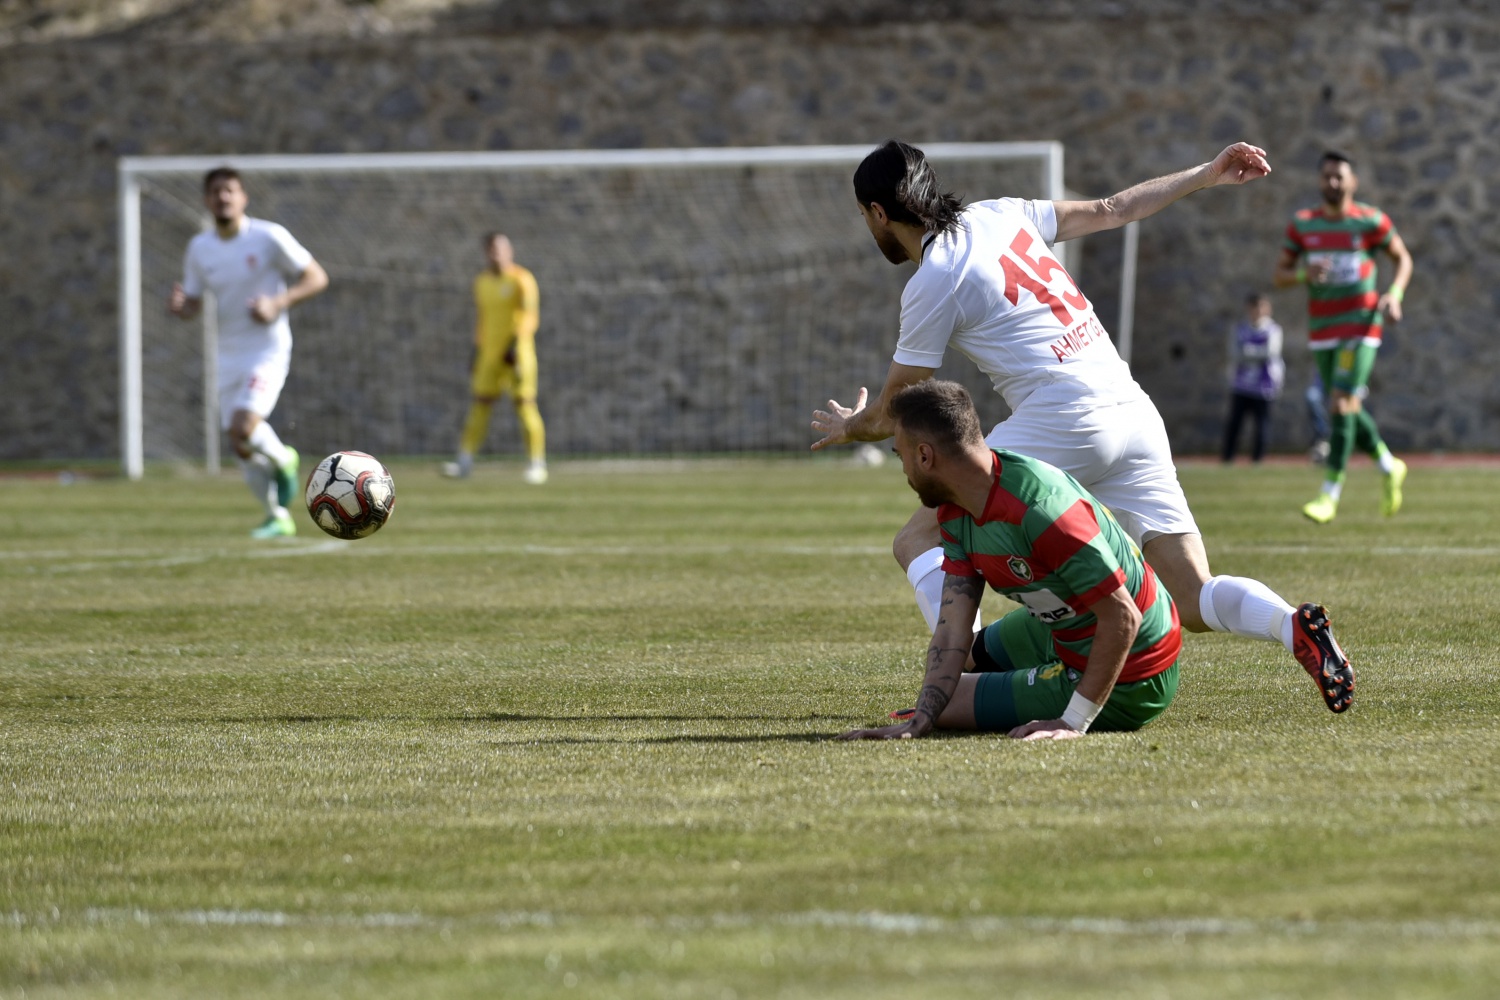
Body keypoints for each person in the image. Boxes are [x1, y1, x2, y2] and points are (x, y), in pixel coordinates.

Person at [810, 139, 1353, 714]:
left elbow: (900, 407)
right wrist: (1205, 173)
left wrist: (852, 427)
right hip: (1133, 409)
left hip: (1061, 419)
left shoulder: (933, 278)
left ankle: (962, 659)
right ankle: (1292, 626)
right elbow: (1115, 208)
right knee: (1193, 597)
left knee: (915, 538)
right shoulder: (1001, 213)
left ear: (877, 212)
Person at [839, 380, 1182, 741]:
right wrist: (921, 719)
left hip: (1137, 670)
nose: (905, 470)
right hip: (1065, 626)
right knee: (960, 671)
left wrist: (1072, 722)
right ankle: (1040, 679)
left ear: (925, 456)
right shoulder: (955, 509)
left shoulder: (1042, 510)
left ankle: (1063, 685)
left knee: (953, 703)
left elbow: (1123, 615)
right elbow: (953, 630)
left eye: (900, 456)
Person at [169, 166, 329, 538]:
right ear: (206, 201)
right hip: (226, 356)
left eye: (230, 190)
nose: (223, 197)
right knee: (240, 447)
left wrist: (278, 302)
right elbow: (192, 303)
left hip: (267, 350)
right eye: (215, 192)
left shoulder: (269, 237)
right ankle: (277, 516)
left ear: (243, 198)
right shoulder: (200, 248)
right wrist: (181, 307)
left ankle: (284, 459)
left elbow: (317, 277)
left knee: (245, 425)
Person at [1274, 151, 1413, 524]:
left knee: (1338, 401)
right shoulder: (1303, 225)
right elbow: (1280, 274)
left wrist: (1394, 294)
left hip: (1361, 325)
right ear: (1320, 182)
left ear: (1353, 182)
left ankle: (1329, 494)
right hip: (1323, 330)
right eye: (1327, 177)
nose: (1333, 183)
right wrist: (1305, 273)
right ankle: (1388, 465)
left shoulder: (1370, 220)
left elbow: (1402, 258)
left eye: (1340, 177)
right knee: (1346, 404)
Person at [442, 233, 547, 484]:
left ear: (509, 250)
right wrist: (477, 352)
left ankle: (537, 463)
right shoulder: (482, 282)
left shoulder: (522, 279)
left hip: (517, 354)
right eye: (492, 250)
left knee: (525, 405)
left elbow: (530, 317)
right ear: (486, 252)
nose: (496, 254)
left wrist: (514, 345)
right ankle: (465, 461)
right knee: (479, 405)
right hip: (488, 355)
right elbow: (483, 321)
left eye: (501, 248)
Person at [1221, 291, 1284, 464]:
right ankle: (1227, 458)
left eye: (1261, 307)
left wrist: (1248, 351)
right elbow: (1234, 353)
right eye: (1254, 307)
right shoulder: (1240, 329)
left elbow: (1271, 353)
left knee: (1262, 425)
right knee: (1234, 424)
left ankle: (1258, 459)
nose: (1257, 311)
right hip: (1241, 385)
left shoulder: (1272, 330)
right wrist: (1254, 353)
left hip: (1264, 387)